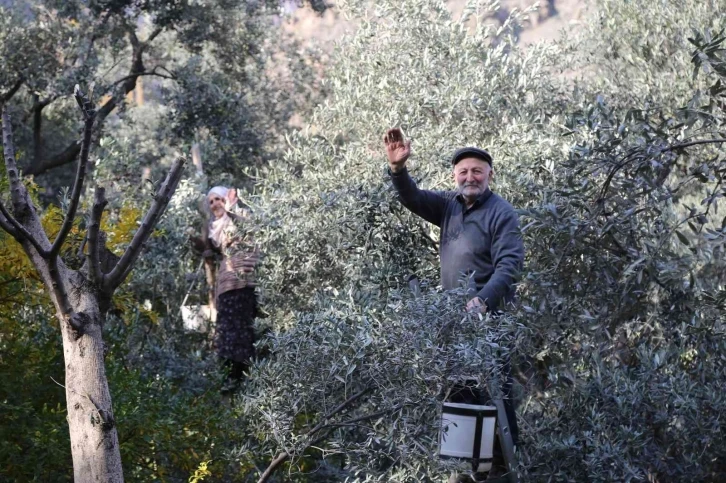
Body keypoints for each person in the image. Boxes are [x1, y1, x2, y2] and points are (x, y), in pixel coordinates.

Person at [383, 128, 524, 481]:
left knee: (496, 400)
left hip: (491, 326)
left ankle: (504, 473)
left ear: (490, 174)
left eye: (477, 171)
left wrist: (482, 300)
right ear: (454, 177)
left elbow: (509, 266)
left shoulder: (501, 213)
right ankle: (467, 473)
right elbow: (412, 198)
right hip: (455, 325)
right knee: (460, 400)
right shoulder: (449, 207)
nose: (470, 177)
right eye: (463, 172)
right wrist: (398, 169)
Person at [195, 186, 260, 390]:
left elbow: (249, 224)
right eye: (211, 201)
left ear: (226, 199)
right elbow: (210, 247)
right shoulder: (214, 227)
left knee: (243, 327)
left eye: (218, 199)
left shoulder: (239, 216)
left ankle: (246, 374)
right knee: (227, 329)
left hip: (245, 280)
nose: (215, 204)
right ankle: (231, 376)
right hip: (226, 283)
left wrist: (232, 206)